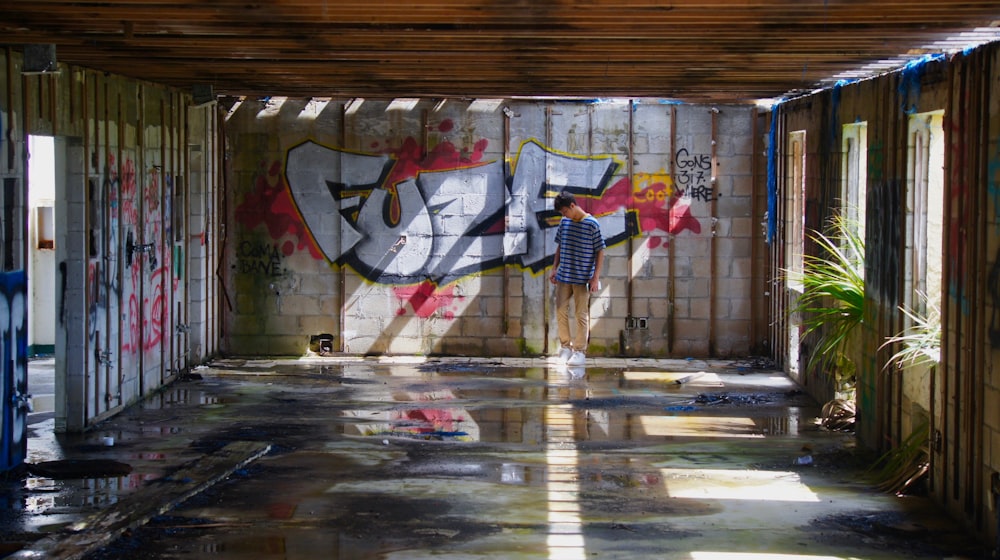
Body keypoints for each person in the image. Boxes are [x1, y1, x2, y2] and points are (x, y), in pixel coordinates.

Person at [549, 190, 605, 366]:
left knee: (581, 314)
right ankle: (566, 347)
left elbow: (600, 250)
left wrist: (595, 277)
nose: (564, 215)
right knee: (560, 311)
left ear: (572, 206)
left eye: (565, 211)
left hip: (582, 278)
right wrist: (554, 268)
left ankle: (580, 351)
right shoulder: (565, 222)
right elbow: (560, 245)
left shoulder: (591, 224)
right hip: (564, 276)